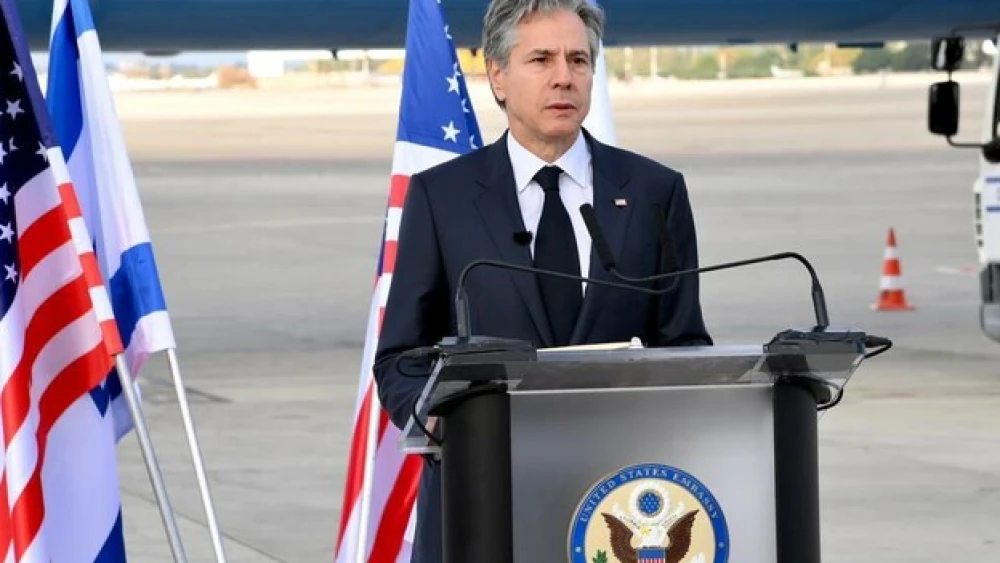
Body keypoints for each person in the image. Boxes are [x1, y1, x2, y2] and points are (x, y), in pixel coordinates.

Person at [372, 0, 712, 560]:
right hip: (478, 499)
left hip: (618, 504)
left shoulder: (654, 191)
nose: (564, 77)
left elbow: (684, 343)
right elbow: (400, 357)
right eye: (541, 59)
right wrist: (437, 416)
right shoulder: (442, 197)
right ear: (498, 77)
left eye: (579, 60)